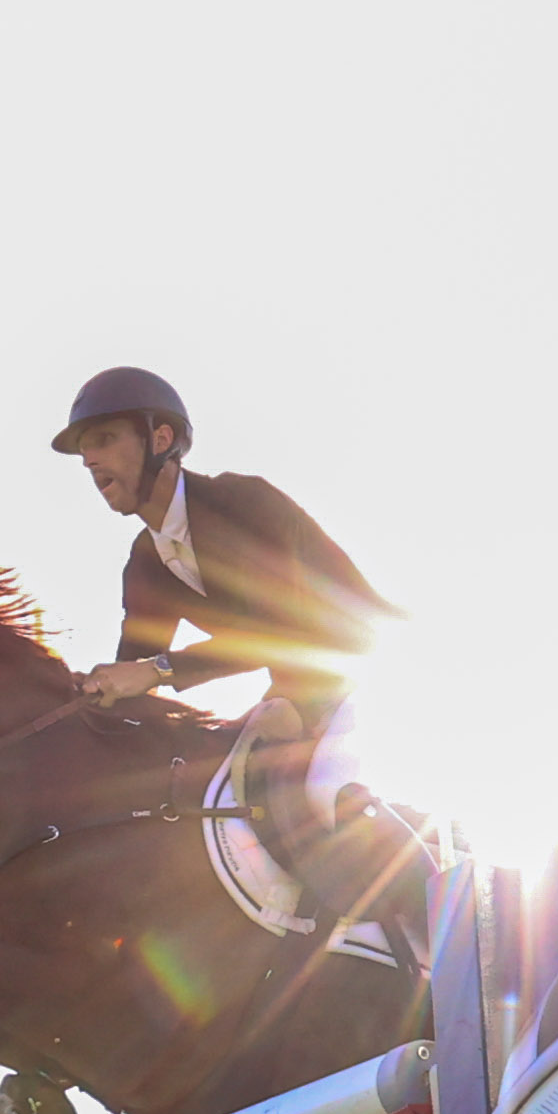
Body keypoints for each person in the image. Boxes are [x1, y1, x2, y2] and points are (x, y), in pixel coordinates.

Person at [49, 364, 399, 892]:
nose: (90, 459)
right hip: (300, 698)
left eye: (103, 438)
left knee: (322, 798)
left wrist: (157, 670)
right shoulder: (146, 561)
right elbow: (132, 679)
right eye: (84, 451)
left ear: (160, 438)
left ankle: (445, 918)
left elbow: (283, 627)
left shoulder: (244, 503)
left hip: (374, 677)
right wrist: (73, 695)